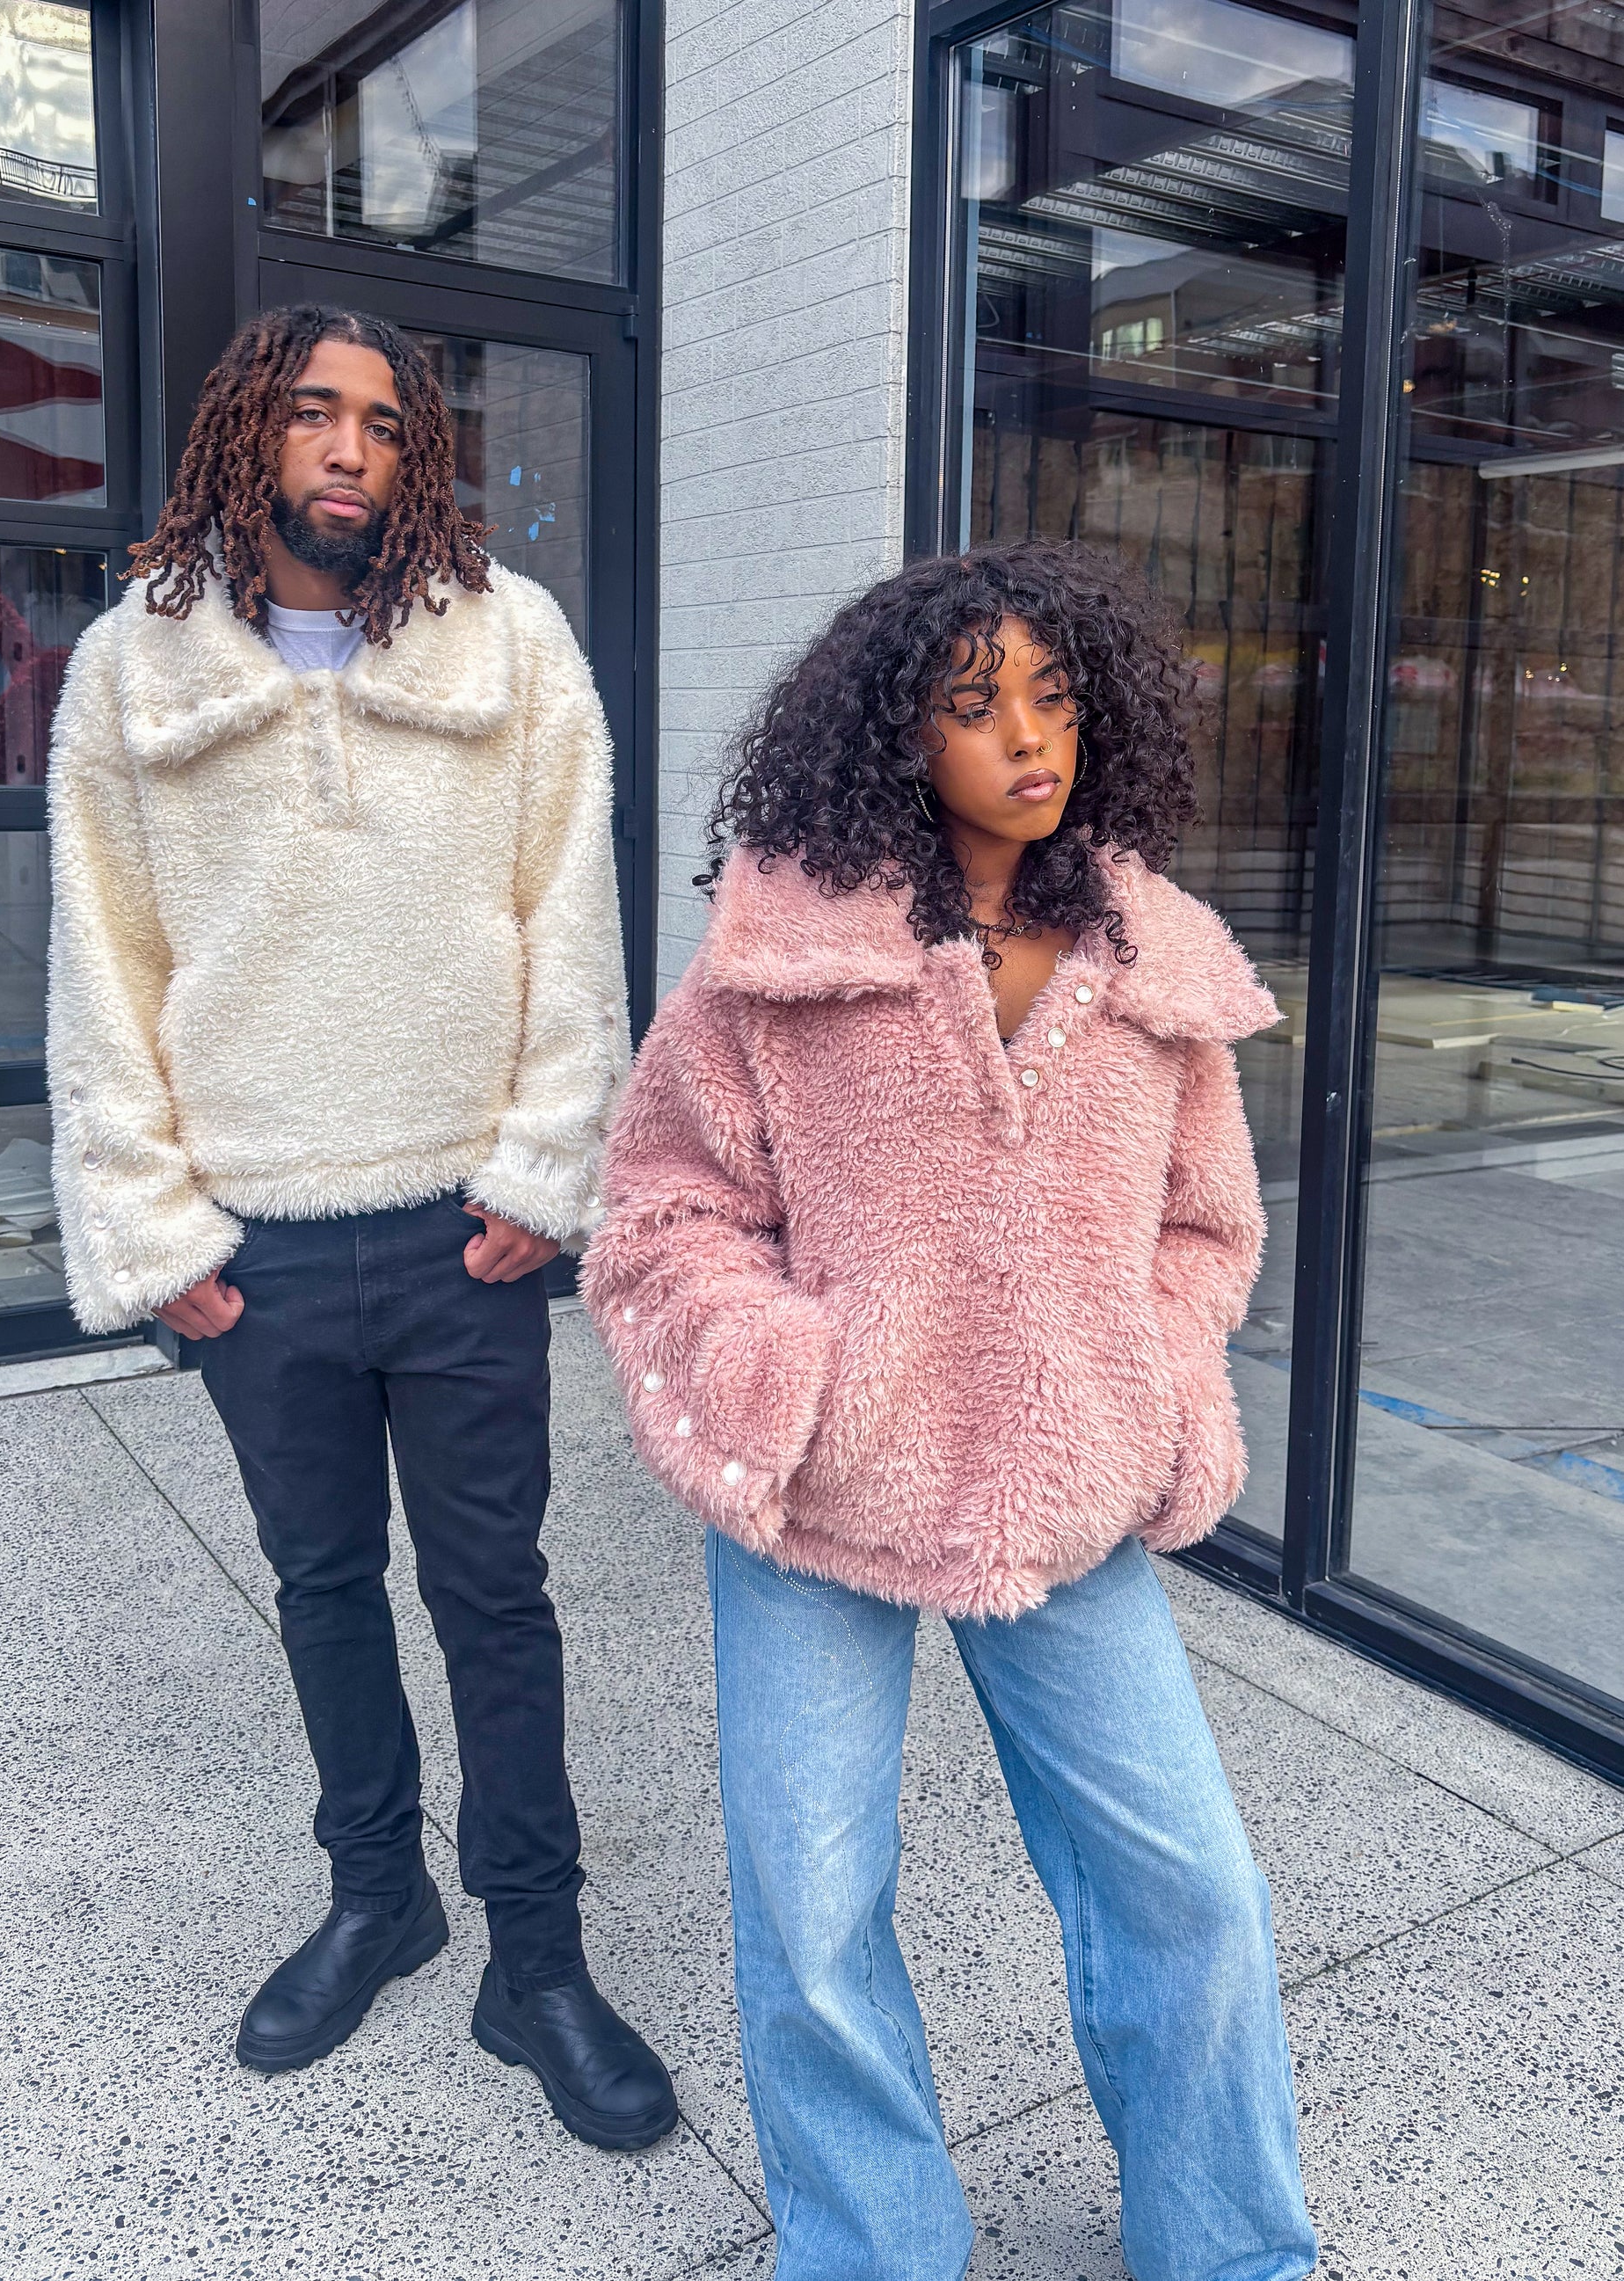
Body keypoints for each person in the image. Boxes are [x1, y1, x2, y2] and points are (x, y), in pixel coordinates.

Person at [584, 541, 1318, 2277]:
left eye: (1054, 696)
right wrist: (791, 1385)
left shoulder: (1149, 962)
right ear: (897, 733)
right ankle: (870, 2248)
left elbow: (1205, 1225)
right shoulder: (783, 956)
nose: (1027, 736)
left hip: (1067, 1492)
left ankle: (1232, 2248)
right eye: (975, 703)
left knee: (1187, 1885)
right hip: (823, 1497)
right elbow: (665, 1209)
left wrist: (1149, 1385)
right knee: (812, 1910)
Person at [44, 302, 676, 2149]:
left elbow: (570, 915)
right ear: (246, 431)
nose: (349, 448)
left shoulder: (510, 639)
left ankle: (534, 1960)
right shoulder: (130, 669)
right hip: (255, 1246)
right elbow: (106, 962)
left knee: (496, 1599)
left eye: (385, 423)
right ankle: (376, 1897)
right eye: (314, 413)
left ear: (418, 455)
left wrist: (547, 1168)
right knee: (323, 1588)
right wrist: (158, 1227)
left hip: (462, 1229)